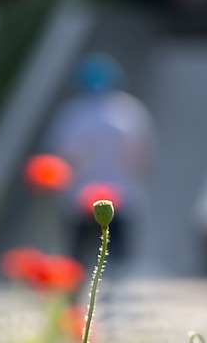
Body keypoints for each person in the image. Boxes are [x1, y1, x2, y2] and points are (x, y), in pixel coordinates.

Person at [44, 53, 155, 264]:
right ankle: (114, 286)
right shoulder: (130, 111)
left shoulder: (71, 114)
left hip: (79, 193)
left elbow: (61, 156)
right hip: (122, 191)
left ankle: (76, 288)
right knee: (117, 252)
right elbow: (142, 153)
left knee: (78, 252)